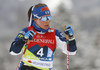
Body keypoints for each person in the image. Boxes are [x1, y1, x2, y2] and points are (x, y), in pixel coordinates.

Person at [9, 3, 77, 70]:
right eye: (44, 18)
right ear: (35, 19)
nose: (47, 21)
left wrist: (71, 38)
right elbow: (13, 51)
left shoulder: (55, 33)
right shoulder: (26, 31)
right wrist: (23, 39)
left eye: (49, 17)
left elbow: (71, 51)